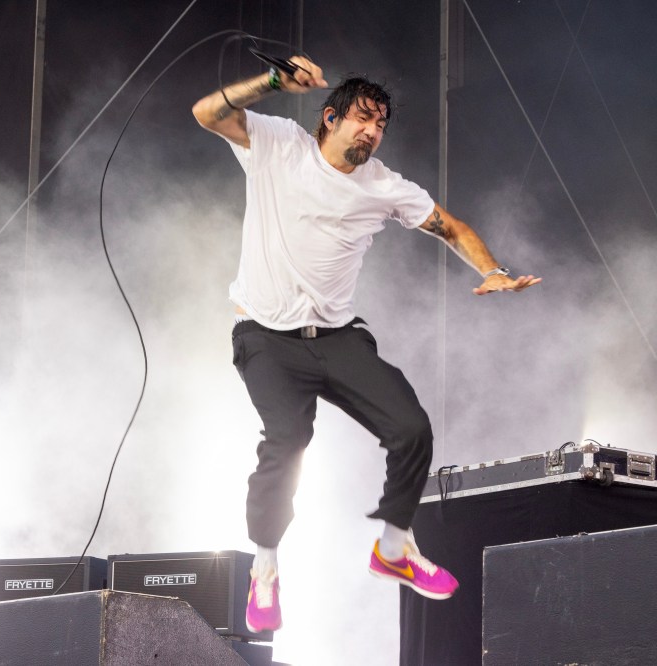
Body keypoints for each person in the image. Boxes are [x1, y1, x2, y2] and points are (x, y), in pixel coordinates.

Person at [191, 57, 540, 633]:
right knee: (288, 439)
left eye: (380, 124)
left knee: (412, 430)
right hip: (266, 337)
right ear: (329, 119)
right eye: (362, 118)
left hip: (337, 337)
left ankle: (394, 549)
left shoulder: (385, 186)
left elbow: (449, 226)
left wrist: (494, 269)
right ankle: (266, 567)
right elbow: (207, 114)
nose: (372, 132)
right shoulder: (279, 144)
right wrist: (272, 83)